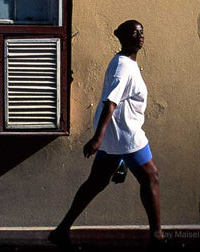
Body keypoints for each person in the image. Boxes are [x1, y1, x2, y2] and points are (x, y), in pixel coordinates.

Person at [50, 20, 163, 247]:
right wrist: (97, 139)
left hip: (116, 136)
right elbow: (111, 102)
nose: (140, 35)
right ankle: (157, 235)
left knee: (96, 182)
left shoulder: (123, 62)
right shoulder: (123, 66)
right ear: (122, 37)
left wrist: (107, 146)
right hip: (126, 135)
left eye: (142, 31)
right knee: (151, 176)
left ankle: (62, 230)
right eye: (134, 32)